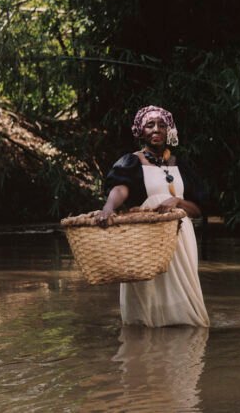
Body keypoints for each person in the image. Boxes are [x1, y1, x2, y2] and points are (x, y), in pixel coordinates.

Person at [96, 105, 209, 327]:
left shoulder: (180, 165)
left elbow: (198, 209)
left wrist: (177, 201)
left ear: (169, 132)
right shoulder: (132, 162)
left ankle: (183, 333)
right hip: (146, 238)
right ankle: (145, 339)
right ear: (140, 131)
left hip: (180, 238)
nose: (156, 129)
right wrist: (108, 207)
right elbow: (120, 189)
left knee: (180, 288)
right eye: (150, 125)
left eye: (161, 125)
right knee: (148, 287)